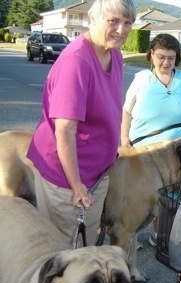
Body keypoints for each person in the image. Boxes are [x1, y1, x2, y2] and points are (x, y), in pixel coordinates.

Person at [26, 0, 136, 247]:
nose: (122, 29)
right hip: (67, 176)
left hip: (95, 173)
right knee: (65, 249)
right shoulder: (76, 61)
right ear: (93, 19)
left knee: (83, 243)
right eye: (113, 21)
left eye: (127, 23)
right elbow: (65, 130)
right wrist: (76, 186)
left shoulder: (114, 54)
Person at [120, 33, 181, 246]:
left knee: (172, 197)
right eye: (161, 57)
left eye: (171, 57)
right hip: (146, 151)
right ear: (151, 55)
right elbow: (127, 111)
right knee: (140, 197)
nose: (166, 62)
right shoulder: (141, 79)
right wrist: (124, 138)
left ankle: (160, 235)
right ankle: (129, 236)